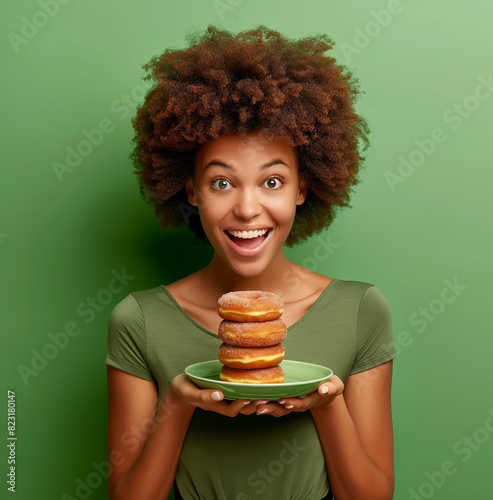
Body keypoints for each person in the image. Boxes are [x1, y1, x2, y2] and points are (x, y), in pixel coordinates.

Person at [105, 25, 396, 500]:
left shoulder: (360, 311)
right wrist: (177, 403)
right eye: (222, 183)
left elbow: (373, 496)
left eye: (273, 182)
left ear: (304, 187)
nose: (246, 208)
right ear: (191, 189)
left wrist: (326, 404)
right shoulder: (138, 320)